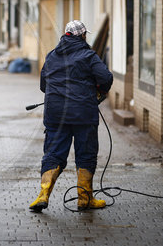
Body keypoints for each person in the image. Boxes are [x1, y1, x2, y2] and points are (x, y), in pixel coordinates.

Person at [29, 20, 113, 212]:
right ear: (82, 36)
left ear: (65, 36)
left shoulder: (51, 56)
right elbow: (106, 78)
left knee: (53, 154)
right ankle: (85, 199)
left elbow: (44, 85)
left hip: (56, 115)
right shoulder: (88, 55)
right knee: (86, 154)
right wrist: (99, 91)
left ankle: (43, 195)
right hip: (83, 114)